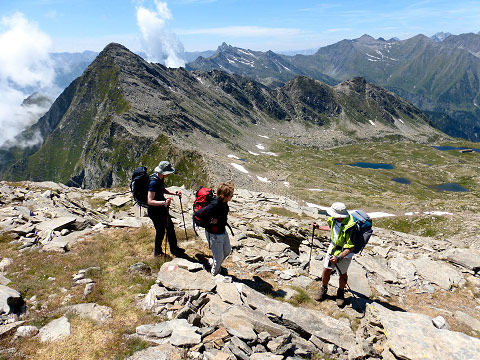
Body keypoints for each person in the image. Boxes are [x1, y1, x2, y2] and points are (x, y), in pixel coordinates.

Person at [313, 202, 356, 306]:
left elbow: (350, 247)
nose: (332, 216)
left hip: (345, 253)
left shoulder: (351, 227)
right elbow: (331, 227)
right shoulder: (334, 219)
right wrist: (319, 227)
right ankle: (323, 288)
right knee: (326, 269)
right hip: (333, 248)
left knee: (342, 273)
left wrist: (339, 257)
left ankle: (340, 293)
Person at [195, 182, 234, 276]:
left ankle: (216, 265)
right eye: (231, 195)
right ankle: (215, 274)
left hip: (222, 231)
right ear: (225, 196)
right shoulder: (214, 204)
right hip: (214, 234)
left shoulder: (224, 202)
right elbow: (198, 214)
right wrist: (209, 221)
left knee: (227, 251)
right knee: (219, 257)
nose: (232, 197)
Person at [147, 161, 184, 257]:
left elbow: (162, 189)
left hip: (161, 208)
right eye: (168, 172)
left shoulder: (160, 178)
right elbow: (150, 201)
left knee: (170, 227)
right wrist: (164, 202)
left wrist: (174, 193)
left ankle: (174, 249)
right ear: (163, 172)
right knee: (160, 231)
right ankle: (158, 253)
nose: (169, 174)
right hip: (155, 211)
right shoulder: (153, 182)